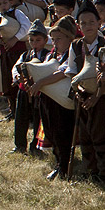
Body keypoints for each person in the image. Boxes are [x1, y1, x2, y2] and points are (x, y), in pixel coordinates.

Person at [65, 1, 105, 181]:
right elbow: (72, 71)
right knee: (84, 134)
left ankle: (104, 172)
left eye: (91, 22)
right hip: (82, 96)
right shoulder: (75, 46)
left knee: (100, 135)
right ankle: (90, 170)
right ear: (78, 25)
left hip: (102, 98)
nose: (88, 26)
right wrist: (78, 91)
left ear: (99, 23)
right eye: (83, 23)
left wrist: (96, 96)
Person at [28, 16, 77, 180]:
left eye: (59, 39)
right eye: (53, 39)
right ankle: (58, 162)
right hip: (48, 99)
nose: (55, 43)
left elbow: (63, 72)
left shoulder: (72, 54)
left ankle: (64, 166)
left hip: (62, 102)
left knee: (62, 132)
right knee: (51, 130)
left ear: (69, 38)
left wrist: (41, 82)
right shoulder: (52, 54)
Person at [11, 21, 49, 156]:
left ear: (45, 40)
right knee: (21, 118)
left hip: (39, 92)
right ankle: (19, 145)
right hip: (24, 90)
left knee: (39, 118)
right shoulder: (25, 55)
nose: (35, 44)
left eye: (38, 40)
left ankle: (36, 145)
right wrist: (17, 77)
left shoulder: (48, 56)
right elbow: (16, 68)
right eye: (32, 40)